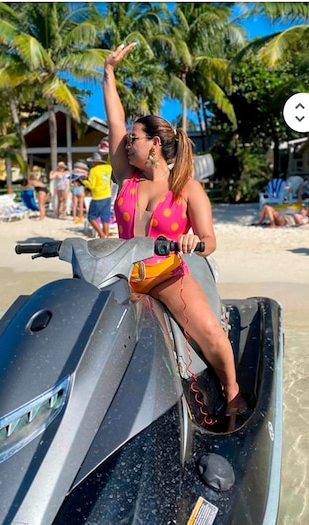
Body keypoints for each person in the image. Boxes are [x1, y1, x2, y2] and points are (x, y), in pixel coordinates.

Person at [103, 43, 244, 416]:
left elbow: (210, 241)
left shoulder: (188, 189)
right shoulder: (126, 177)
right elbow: (115, 121)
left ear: (154, 146)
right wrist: (109, 71)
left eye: (135, 138)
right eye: (129, 139)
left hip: (167, 275)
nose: (127, 142)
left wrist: (193, 242)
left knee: (211, 332)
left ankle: (232, 392)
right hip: (120, 273)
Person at [82, 152, 112, 238]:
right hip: (107, 196)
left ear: (95, 161)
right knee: (105, 218)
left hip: (98, 196)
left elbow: (92, 185)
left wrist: (83, 181)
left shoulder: (93, 170)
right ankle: (106, 235)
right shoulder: (108, 167)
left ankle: (102, 235)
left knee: (91, 217)